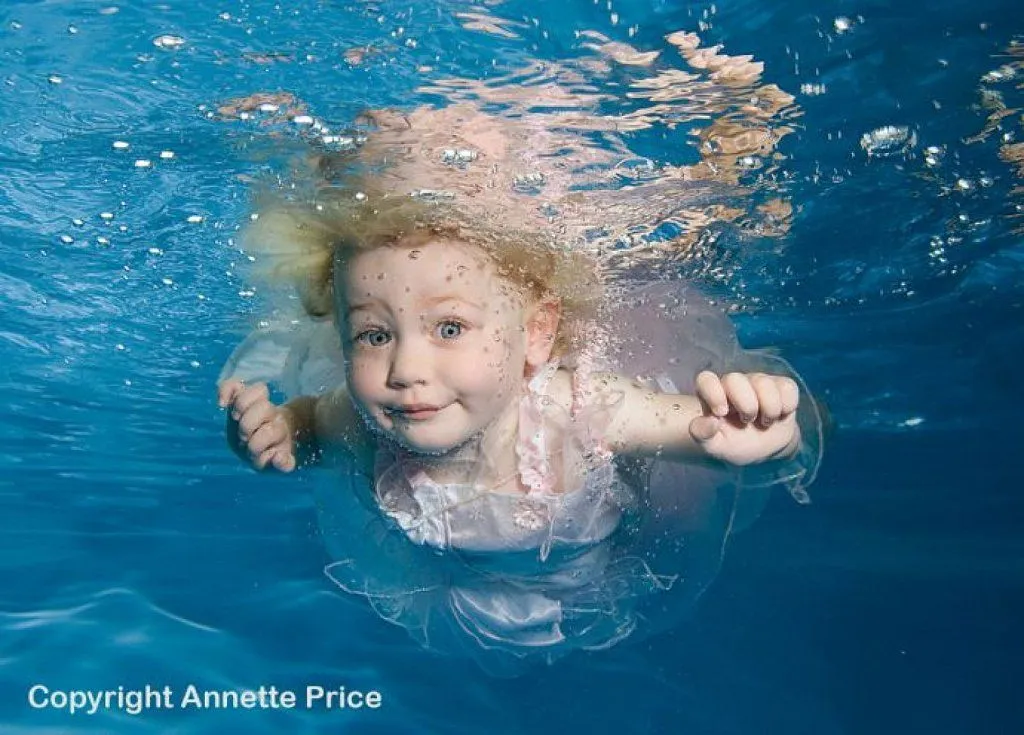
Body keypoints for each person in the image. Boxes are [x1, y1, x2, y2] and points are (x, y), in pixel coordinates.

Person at [216, 107, 824, 673]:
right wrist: (280, 432)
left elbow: (700, 430)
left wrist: (769, 437)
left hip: (600, 581)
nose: (405, 369)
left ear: (534, 335)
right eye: (374, 335)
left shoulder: (578, 410)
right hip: (457, 595)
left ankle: (727, 168)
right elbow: (311, 428)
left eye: (449, 328)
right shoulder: (356, 419)